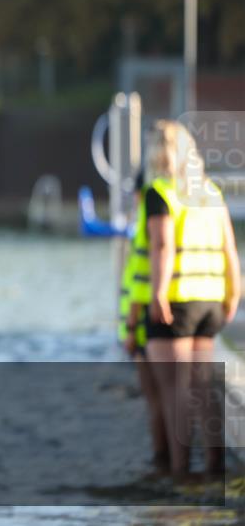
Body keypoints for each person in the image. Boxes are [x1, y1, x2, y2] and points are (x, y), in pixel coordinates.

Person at [143, 120, 240, 481]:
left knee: (174, 390)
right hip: (211, 301)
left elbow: (162, 245)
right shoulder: (210, 192)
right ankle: (215, 466)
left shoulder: (160, 192)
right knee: (203, 386)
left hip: (177, 301)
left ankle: (180, 471)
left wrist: (157, 293)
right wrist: (234, 292)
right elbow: (230, 246)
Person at [122, 171, 168, 474]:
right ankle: (169, 462)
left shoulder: (145, 228)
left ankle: (162, 460)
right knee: (169, 397)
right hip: (151, 325)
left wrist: (129, 328)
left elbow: (140, 282)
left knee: (156, 400)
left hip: (142, 330)